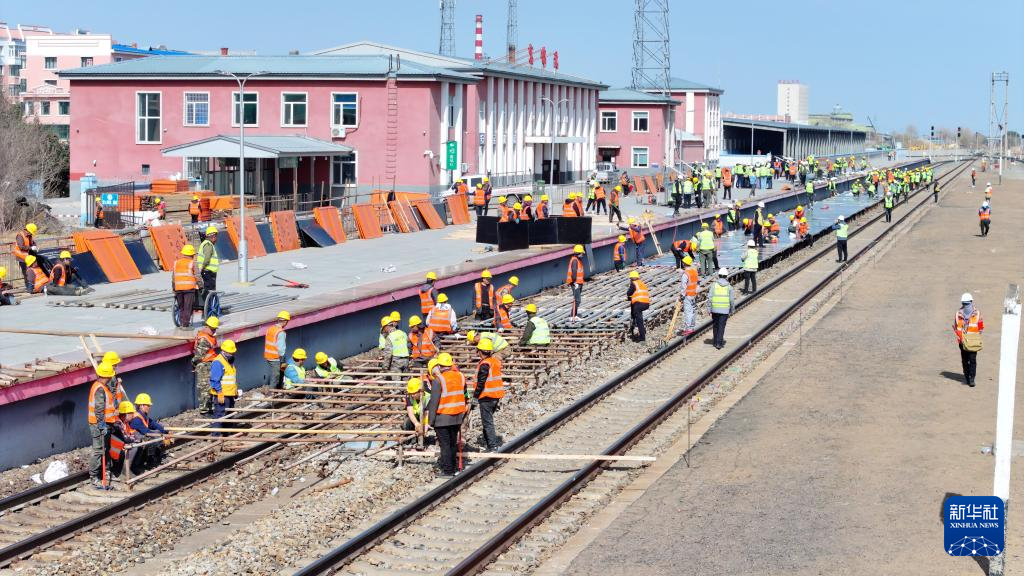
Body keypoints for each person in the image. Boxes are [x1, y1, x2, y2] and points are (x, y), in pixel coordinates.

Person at [426, 352, 467, 477]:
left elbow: (434, 402)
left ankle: (448, 470)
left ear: (439, 365)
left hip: (443, 417)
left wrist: (430, 421)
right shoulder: (460, 376)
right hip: (457, 416)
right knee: (452, 442)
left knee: (445, 445)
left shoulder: (439, 380)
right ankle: (453, 467)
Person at [88, 362, 118, 488]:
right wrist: (101, 425)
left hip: (105, 423)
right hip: (98, 424)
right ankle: (94, 477)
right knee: (98, 451)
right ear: (107, 376)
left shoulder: (101, 386)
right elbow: (99, 409)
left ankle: (104, 472)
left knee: (104, 449)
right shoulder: (99, 388)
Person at [472, 338, 505, 452]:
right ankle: (488, 443)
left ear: (479, 351)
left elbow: (481, 383)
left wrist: (475, 397)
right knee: (487, 420)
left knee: (487, 422)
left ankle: (492, 446)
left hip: (486, 396)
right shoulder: (494, 361)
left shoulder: (485, 364)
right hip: (495, 395)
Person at [952, 293, 983, 387]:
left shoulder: (976, 313)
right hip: (963, 341)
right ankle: (968, 377)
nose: (966, 305)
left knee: (970, 360)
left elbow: (980, 326)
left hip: (972, 341)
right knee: (968, 360)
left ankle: (971, 378)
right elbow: (981, 327)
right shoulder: (958, 314)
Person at [209, 340, 239, 433]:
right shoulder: (218, 362)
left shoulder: (229, 361)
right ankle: (216, 436)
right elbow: (214, 380)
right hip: (222, 394)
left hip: (230, 394)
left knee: (229, 415)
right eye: (231, 353)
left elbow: (231, 378)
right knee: (220, 415)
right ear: (224, 351)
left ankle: (227, 434)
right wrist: (219, 392)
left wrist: (235, 391)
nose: (232, 354)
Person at [192, 316, 219, 414]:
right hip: (204, 366)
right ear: (207, 327)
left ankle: (210, 407)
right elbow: (199, 355)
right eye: (213, 329)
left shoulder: (206, 336)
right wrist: (194, 363)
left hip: (208, 364)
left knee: (210, 387)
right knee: (204, 389)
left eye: (215, 329)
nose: (214, 331)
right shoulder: (205, 339)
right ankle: (204, 410)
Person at [172, 245, 201, 328]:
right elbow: (198, 276)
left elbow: (173, 277)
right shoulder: (193, 263)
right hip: (189, 289)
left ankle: (181, 323)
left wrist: (174, 288)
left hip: (178, 289)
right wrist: (201, 286)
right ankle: (185, 325)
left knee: (181, 307)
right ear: (192, 255)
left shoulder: (176, 263)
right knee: (188, 307)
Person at [708, 268, 734, 350]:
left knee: (715, 325)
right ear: (726, 276)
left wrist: (709, 308)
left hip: (715, 309)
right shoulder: (729, 287)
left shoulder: (714, 285)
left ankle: (715, 341)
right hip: (724, 310)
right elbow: (731, 300)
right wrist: (732, 309)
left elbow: (710, 298)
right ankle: (719, 343)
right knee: (721, 326)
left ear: (719, 275)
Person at [264, 311, 290, 389]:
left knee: (278, 373)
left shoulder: (270, 329)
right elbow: (281, 349)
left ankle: (278, 388)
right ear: (285, 321)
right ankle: (272, 393)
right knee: (276, 375)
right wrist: (283, 359)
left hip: (268, 355)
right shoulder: (281, 332)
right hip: (276, 357)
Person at [405, 377, 430, 448]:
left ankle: (422, 440)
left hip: (424, 416)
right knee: (407, 422)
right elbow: (410, 412)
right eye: (411, 393)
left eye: (414, 393)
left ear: (420, 391)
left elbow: (426, 414)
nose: (412, 395)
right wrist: (416, 423)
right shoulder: (409, 396)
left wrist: (425, 428)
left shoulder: (427, 397)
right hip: (414, 416)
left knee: (423, 429)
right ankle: (409, 441)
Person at [196, 226, 220, 301]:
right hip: (208, 271)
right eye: (216, 236)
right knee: (210, 290)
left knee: (208, 289)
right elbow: (207, 258)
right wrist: (202, 267)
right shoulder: (208, 245)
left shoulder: (205, 244)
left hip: (207, 271)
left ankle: (208, 305)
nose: (216, 239)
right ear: (213, 237)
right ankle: (209, 306)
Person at [626, 270, 650, 342]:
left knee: (640, 321)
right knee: (639, 319)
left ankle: (642, 338)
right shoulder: (641, 283)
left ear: (632, 278)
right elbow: (639, 294)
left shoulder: (634, 283)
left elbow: (628, 293)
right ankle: (639, 332)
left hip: (639, 304)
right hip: (646, 303)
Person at [679, 256, 699, 335]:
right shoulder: (694, 271)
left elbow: (684, 286)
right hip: (693, 294)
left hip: (687, 295)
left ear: (684, 263)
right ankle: (692, 326)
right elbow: (697, 283)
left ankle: (688, 328)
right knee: (693, 311)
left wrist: (682, 295)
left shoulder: (685, 274)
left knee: (688, 312)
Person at [566, 244, 586, 322]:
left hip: (579, 282)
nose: (583, 254)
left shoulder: (577, 260)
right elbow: (574, 272)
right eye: (582, 253)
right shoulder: (575, 260)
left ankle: (574, 314)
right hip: (576, 283)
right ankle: (572, 316)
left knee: (577, 299)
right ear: (579, 253)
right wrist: (574, 282)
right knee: (577, 300)